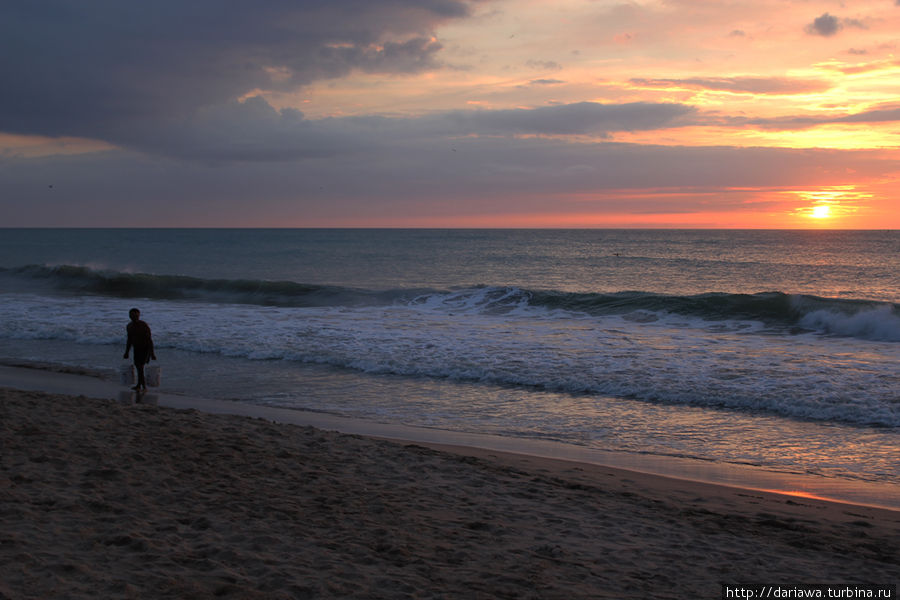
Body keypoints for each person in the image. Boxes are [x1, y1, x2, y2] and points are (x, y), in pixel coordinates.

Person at [123, 308, 156, 391]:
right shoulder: (129, 326)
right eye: (132, 315)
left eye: (136, 315)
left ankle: (143, 386)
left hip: (145, 348)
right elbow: (129, 340)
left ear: (139, 316)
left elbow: (149, 340)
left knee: (140, 366)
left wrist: (152, 354)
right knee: (138, 367)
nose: (134, 317)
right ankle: (140, 385)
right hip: (136, 349)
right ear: (129, 316)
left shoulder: (143, 325)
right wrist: (126, 352)